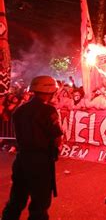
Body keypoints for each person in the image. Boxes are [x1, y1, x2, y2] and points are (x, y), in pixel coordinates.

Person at [2, 75, 63, 220]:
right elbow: (57, 138)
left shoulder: (20, 110)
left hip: (22, 159)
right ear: (50, 91)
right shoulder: (48, 111)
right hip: (40, 162)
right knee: (39, 204)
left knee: (16, 200)